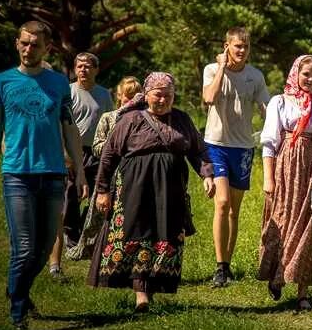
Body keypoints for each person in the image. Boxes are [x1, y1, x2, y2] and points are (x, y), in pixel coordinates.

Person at [0, 21, 87, 330]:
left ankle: (17, 289)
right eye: (24, 43)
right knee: (24, 248)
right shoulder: (1, 82)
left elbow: (69, 128)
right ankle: (18, 314)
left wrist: (79, 172)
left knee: (43, 248)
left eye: (35, 45)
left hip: (53, 174)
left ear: (46, 48)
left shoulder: (59, 83)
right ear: (17, 43)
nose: (28, 49)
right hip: (17, 174)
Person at [89, 72, 215, 311]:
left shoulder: (181, 119)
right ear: (146, 95)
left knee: (166, 234)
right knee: (138, 233)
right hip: (135, 189)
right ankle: (141, 294)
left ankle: (151, 287)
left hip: (171, 189)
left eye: (168, 95)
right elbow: (108, 156)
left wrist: (207, 175)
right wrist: (103, 191)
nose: (163, 100)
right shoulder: (131, 120)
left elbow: (198, 150)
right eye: (158, 95)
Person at [257, 55, 312, 310]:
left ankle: (302, 291)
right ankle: (277, 275)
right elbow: (269, 142)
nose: (310, 79)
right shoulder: (280, 101)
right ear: (296, 74)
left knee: (309, 225)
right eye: (306, 74)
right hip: (287, 166)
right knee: (283, 220)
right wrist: (268, 178)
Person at [202, 26, 270, 287]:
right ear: (226, 46)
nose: (242, 50)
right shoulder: (212, 69)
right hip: (216, 144)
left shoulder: (255, 76)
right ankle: (219, 267)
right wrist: (222, 67)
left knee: (233, 211)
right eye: (237, 45)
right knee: (221, 203)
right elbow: (209, 97)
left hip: (243, 147)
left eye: (246, 46)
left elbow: (266, 109)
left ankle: (227, 265)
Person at [50, 52, 113, 279]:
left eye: (88, 66)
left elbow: (110, 121)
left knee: (98, 193)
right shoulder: (68, 91)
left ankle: (92, 235)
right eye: (79, 66)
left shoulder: (104, 94)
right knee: (71, 193)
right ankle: (71, 235)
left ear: (96, 69)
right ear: (75, 69)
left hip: (96, 152)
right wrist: (66, 154)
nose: (83, 70)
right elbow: (60, 124)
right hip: (71, 151)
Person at [66, 76, 142, 261]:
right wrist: (116, 144)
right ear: (119, 96)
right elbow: (97, 147)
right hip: (112, 174)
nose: (131, 100)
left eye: (135, 95)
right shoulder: (108, 118)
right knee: (102, 214)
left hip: (136, 176)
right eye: (127, 95)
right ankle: (95, 249)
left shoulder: (144, 119)